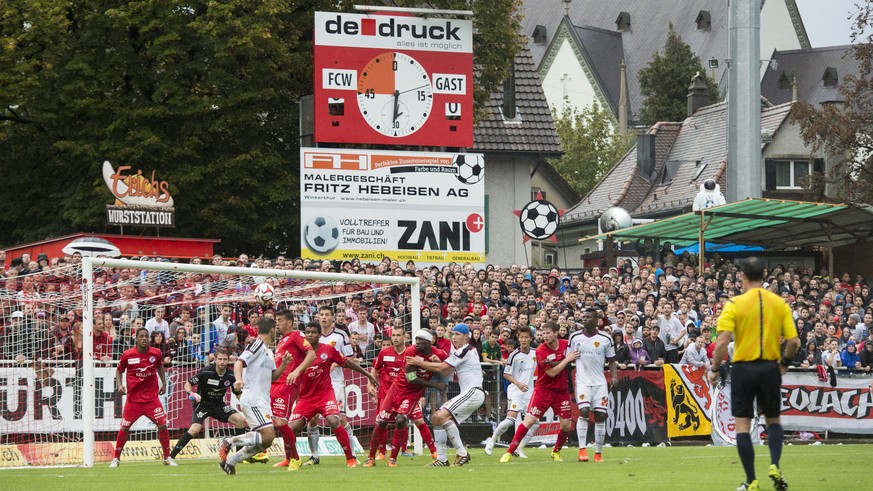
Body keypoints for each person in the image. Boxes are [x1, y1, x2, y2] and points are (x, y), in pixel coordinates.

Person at [709, 257, 799, 491]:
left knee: (742, 425)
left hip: (743, 368)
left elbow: (721, 343)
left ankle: (751, 481)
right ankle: (774, 465)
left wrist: (715, 369)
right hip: (769, 367)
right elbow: (794, 342)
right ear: (764, 274)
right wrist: (784, 364)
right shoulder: (780, 303)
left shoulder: (734, 304)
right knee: (773, 420)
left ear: (742, 276)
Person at [286, 322, 378, 468]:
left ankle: (350, 459)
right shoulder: (298, 353)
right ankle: (291, 459)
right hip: (305, 399)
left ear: (319, 335)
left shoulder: (328, 350)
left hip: (325, 395)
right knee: (290, 428)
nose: (310, 335)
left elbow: (347, 362)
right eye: (307, 332)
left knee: (334, 421)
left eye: (313, 332)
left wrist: (368, 375)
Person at [217, 317, 292, 475]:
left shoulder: (268, 351)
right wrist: (238, 379)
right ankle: (229, 441)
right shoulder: (257, 344)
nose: (277, 330)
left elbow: (273, 377)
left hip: (262, 400)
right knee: (268, 435)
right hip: (252, 398)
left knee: (266, 441)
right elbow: (239, 362)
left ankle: (230, 462)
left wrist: (284, 365)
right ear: (271, 330)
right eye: (276, 327)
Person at [405, 323, 484, 467]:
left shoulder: (466, 350)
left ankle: (461, 453)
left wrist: (419, 362)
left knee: (440, 416)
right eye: (452, 334)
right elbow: (446, 371)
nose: (454, 337)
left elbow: (443, 368)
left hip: (473, 392)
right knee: (436, 418)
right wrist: (437, 362)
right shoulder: (463, 351)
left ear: (466, 337)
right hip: (470, 393)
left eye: (457, 334)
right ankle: (443, 458)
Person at [365, 330, 447, 467]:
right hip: (396, 389)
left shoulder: (440, 354)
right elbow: (412, 378)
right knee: (381, 422)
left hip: (412, 394)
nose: (417, 344)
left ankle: (393, 459)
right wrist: (435, 384)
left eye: (421, 342)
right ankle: (371, 457)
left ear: (430, 342)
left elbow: (448, 369)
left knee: (402, 419)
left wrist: (438, 364)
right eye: (416, 341)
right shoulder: (410, 351)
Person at [500, 322, 578, 463]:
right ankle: (509, 452)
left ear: (556, 333)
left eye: (548, 333)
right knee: (529, 421)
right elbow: (552, 372)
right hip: (543, 390)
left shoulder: (566, 344)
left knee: (566, 425)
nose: (545, 336)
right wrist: (567, 360)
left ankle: (556, 451)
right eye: (543, 333)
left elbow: (578, 350)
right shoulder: (541, 350)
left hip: (561, 391)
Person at [110, 327, 174, 467]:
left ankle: (167, 457)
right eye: (141, 336)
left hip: (152, 399)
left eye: (146, 336)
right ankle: (116, 458)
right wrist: (119, 385)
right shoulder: (128, 355)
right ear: (136, 338)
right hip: (133, 400)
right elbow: (119, 370)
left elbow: (160, 367)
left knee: (162, 425)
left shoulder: (156, 353)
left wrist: (164, 383)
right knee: (125, 428)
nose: (144, 339)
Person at [169, 348, 246, 460]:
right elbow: (188, 384)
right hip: (202, 404)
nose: (222, 362)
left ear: (228, 360)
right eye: (220, 359)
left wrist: (245, 404)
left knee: (239, 420)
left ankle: (239, 456)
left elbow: (237, 393)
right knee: (195, 428)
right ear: (215, 359)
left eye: (225, 359)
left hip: (219, 405)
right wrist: (191, 393)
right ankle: (171, 457)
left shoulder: (231, 375)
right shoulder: (206, 372)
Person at [304, 305, 354, 466]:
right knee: (312, 420)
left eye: (327, 315)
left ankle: (352, 454)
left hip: (335, 382)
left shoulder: (341, 335)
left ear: (333, 318)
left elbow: (349, 359)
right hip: (314, 385)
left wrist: (334, 364)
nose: (324, 317)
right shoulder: (311, 338)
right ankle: (314, 455)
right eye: (321, 315)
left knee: (341, 418)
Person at [568, 308, 617, 463]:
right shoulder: (575, 337)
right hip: (582, 381)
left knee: (600, 415)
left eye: (588, 317)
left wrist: (614, 376)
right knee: (583, 410)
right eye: (583, 317)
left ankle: (598, 453)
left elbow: (611, 360)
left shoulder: (605, 338)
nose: (584, 319)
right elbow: (568, 358)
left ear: (596, 321)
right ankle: (582, 450)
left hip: (600, 382)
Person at [270, 309, 317, 470]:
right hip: (277, 384)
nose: (277, 323)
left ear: (289, 322)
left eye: (280, 320)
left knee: (282, 422)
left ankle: (295, 458)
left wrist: (297, 371)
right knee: (276, 422)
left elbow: (311, 355)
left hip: (288, 384)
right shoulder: (282, 340)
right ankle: (288, 457)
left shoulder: (297, 335)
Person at [485, 326, 537, 458]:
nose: (524, 340)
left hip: (529, 392)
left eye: (526, 337)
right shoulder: (514, 355)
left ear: (531, 338)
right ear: (518, 339)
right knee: (510, 420)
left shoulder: (535, 353)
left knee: (535, 423)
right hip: (516, 391)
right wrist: (518, 384)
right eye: (521, 337)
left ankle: (518, 448)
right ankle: (492, 441)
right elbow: (506, 374)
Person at [367, 325, 410, 461]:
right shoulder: (384, 353)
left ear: (404, 337)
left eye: (398, 335)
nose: (396, 338)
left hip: (403, 395)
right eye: (394, 335)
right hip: (385, 394)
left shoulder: (410, 354)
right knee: (382, 422)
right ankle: (381, 452)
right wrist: (369, 384)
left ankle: (402, 449)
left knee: (402, 421)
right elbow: (375, 370)